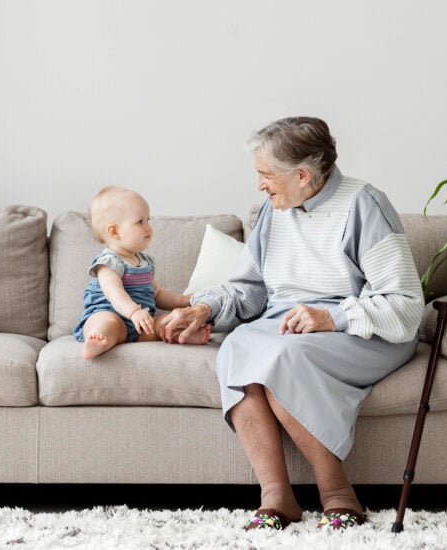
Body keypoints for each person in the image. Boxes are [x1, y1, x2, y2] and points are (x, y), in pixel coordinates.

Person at [160, 117, 424, 531]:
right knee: (240, 346)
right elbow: (249, 289)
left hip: (361, 330)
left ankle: (338, 495)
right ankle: (278, 499)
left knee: (282, 354)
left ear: (302, 175)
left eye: (266, 175)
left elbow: (405, 305)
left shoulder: (364, 205)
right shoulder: (274, 210)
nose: (260, 186)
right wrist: (205, 309)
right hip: (291, 326)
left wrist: (330, 316)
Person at [74, 186, 211, 359]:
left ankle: (183, 334)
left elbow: (157, 294)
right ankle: (98, 339)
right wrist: (133, 312)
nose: (148, 227)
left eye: (148, 220)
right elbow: (114, 293)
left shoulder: (145, 261)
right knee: (108, 322)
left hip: (142, 324)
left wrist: (183, 301)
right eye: (140, 222)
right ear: (114, 232)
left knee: (164, 323)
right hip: (112, 314)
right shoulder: (108, 262)